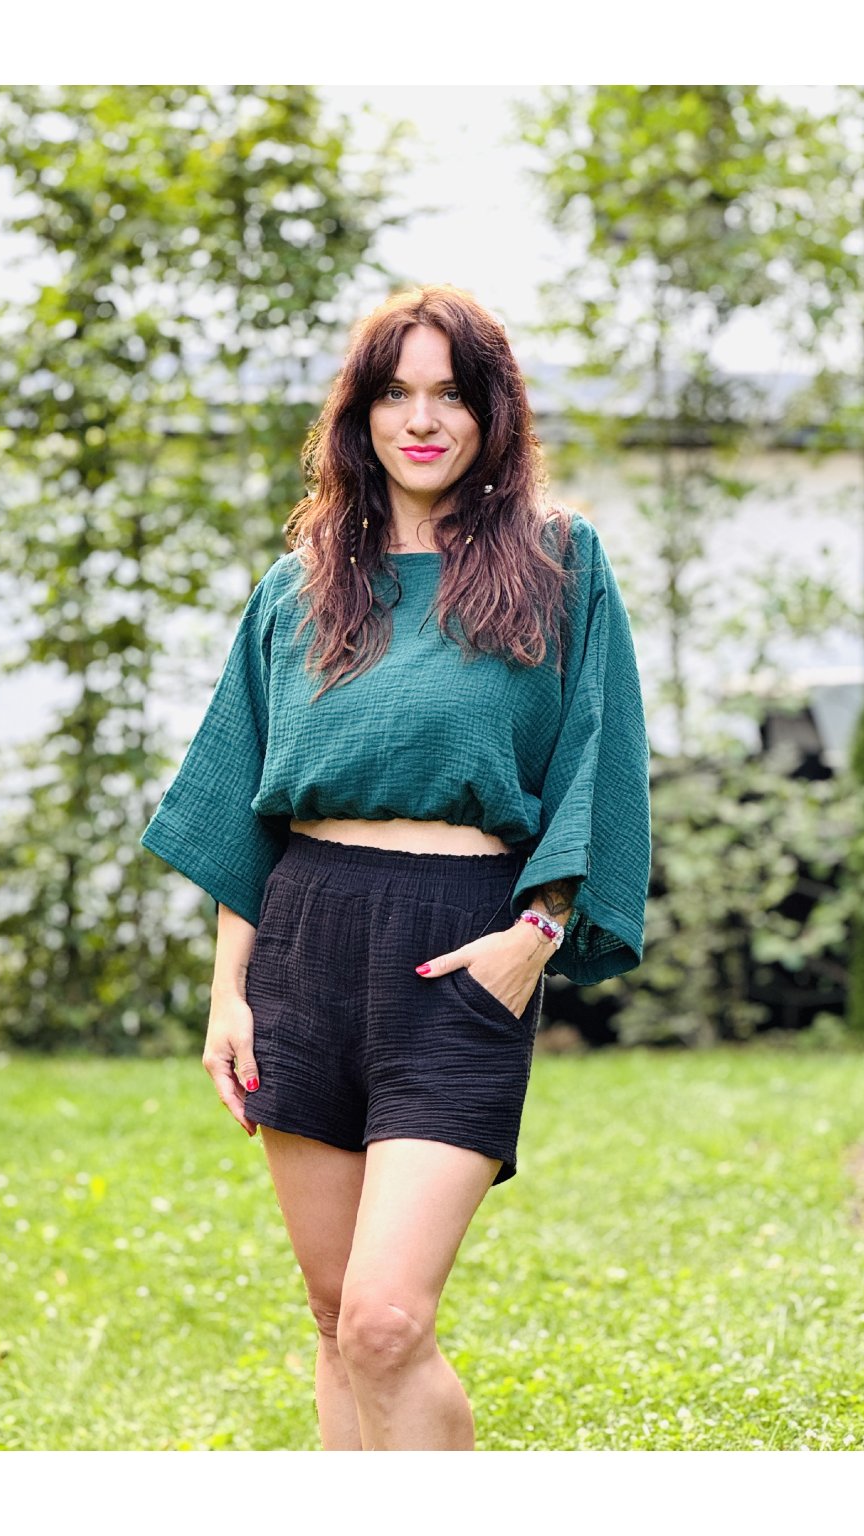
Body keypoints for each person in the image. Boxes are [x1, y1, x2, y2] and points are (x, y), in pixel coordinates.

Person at [139, 283, 651, 1451]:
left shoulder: (560, 562)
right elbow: (245, 807)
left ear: (491, 413)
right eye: (395, 394)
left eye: (449, 395)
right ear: (360, 415)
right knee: (332, 1317)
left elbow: (601, 758)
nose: (421, 421)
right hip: (303, 945)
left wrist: (536, 935)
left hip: (459, 948)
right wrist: (228, 995)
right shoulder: (298, 587)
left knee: (383, 1321)